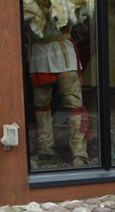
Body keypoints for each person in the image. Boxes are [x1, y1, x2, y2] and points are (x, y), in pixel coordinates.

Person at [23, 0, 93, 166]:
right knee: (41, 103)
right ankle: (45, 149)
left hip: (63, 49)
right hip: (40, 50)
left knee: (73, 101)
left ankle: (79, 153)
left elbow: (81, 8)